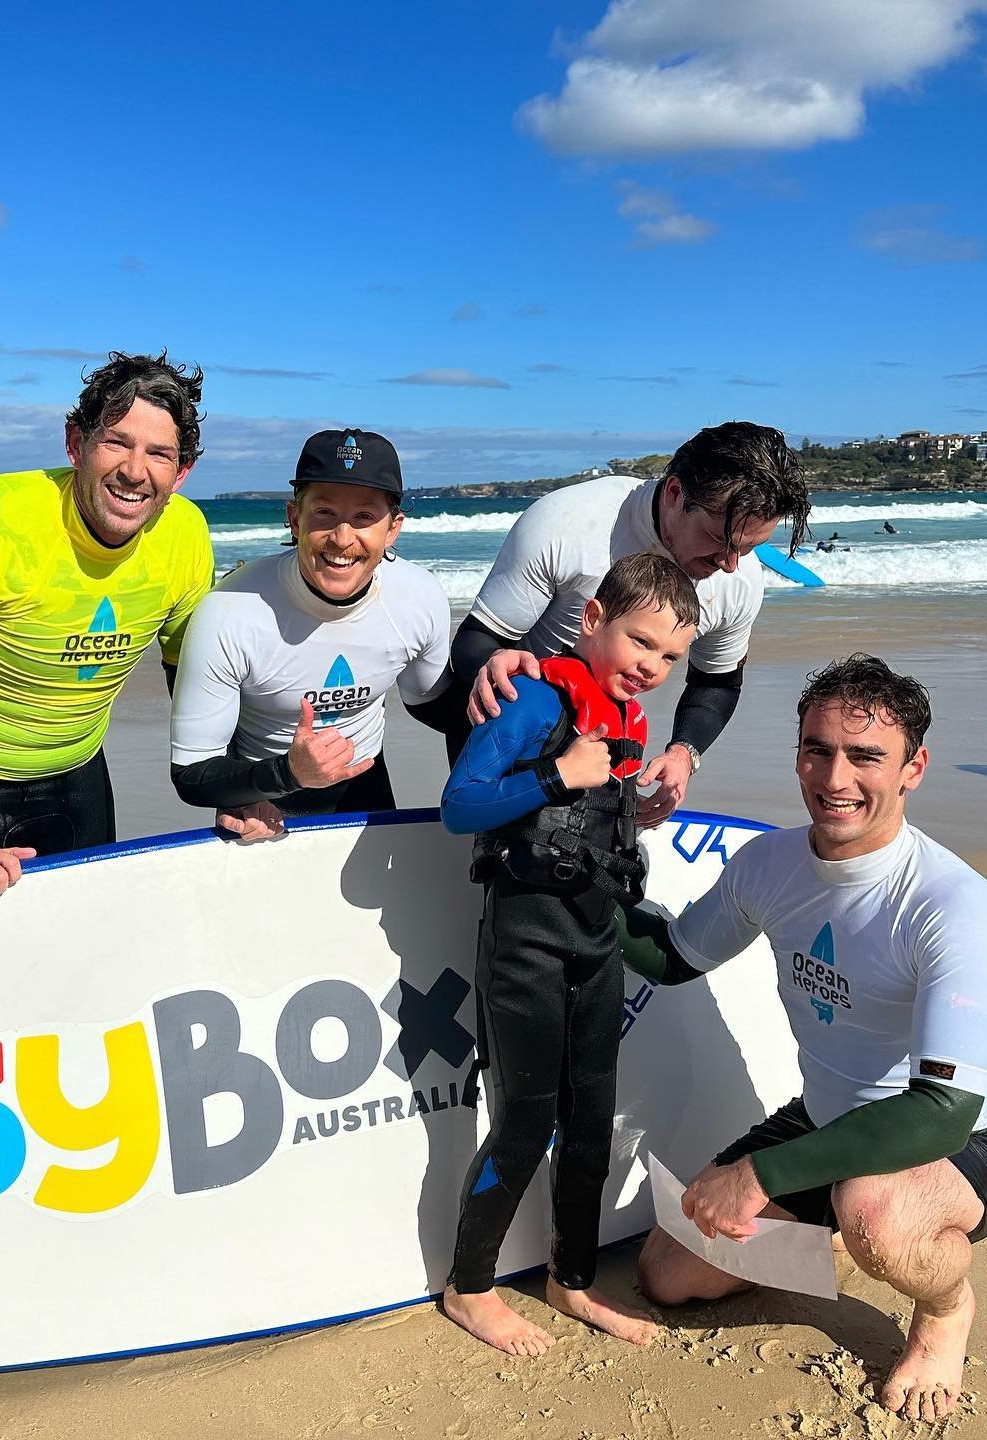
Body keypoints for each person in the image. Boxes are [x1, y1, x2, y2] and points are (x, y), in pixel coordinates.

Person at [619, 655, 987, 1422]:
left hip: (955, 1142)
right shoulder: (769, 863)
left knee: (875, 1213)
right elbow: (670, 958)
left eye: (866, 755)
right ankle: (837, 1227)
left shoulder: (955, 904)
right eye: (818, 750)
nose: (835, 777)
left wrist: (760, 1176)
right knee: (669, 1274)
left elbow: (940, 1108)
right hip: (826, 1120)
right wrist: (583, 892)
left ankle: (945, 1308)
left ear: (914, 768)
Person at [439, 552, 701, 1357]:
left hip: (595, 938)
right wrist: (556, 775)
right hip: (524, 941)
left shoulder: (628, 721)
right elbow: (460, 806)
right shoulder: (534, 703)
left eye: (669, 657)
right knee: (527, 1120)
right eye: (640, 644)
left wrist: (638, 806)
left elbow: (596, 826)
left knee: (591, 1121)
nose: (651, 667)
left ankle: (572, 1278)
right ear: (593, 621)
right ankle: (470, 1286)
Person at [0, 351, 213, 896]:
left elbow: (194, 675)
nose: (134, 471)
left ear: (182, 471)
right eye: (116, 442)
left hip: (80, 775)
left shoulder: (186, 536)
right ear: (76, 444)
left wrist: (233, 785)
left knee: (80, 949)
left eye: (159, 454)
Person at [453, 422, 809, 826]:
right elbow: (475, 639)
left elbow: (717, 682)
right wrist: (494, 659)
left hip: (604, 746)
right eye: (720, 539)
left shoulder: (739, 581)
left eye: (749, 547)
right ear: (676, 494)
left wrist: (683, 753)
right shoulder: (568, 524)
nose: (730, 563)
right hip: (514, 738)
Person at [169, 428, 455, 841]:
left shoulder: (419, 598)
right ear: (294, 518)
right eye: (324, 513)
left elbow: (433, 702)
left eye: (364, 517)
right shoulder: (230, 610)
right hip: (261, 800)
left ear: (393, 529)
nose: (342, 538)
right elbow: (192, 774)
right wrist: (287, 772)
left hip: (366, 787)